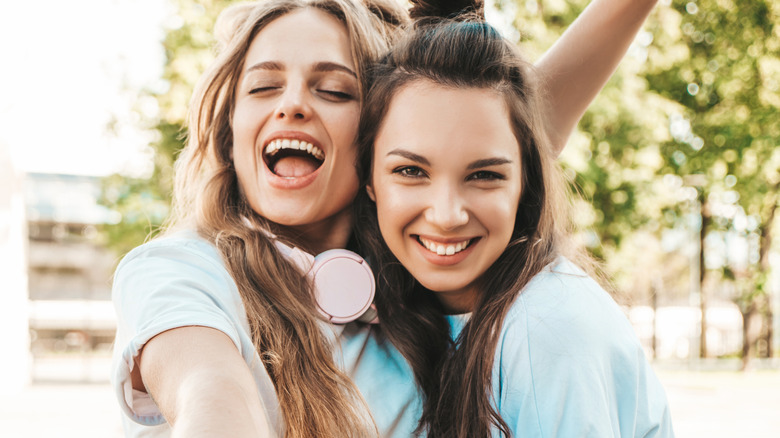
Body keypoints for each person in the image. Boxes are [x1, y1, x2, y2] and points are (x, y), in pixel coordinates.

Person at [110, 0, 661, 436]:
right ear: (230, 132)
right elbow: (209, 389)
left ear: (379, 141)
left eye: (333, 89)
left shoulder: (417, 267)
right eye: (263, 86)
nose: (293, 104)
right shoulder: (182, 269)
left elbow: (497, 123)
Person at [354, 8, 674, 438]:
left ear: (525, 184)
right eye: (411, 171)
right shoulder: (409, 311)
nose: (447, 215)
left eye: (484, 175)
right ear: (369, 180)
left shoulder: (546, 329)